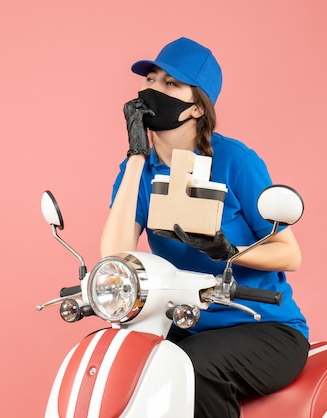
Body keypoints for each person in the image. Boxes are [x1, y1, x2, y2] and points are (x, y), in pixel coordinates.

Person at [100, 37, 310, 418]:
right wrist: (135, 157)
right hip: (186, 321)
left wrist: (229, 252)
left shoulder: (235, 161)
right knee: (111, 355)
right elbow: (116, 256)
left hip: (263, 326)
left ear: (197, 106)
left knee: (191, 367)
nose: (152, 89)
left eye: (170, 84)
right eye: (151, 78)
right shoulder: (139, 174)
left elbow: (289, 254)